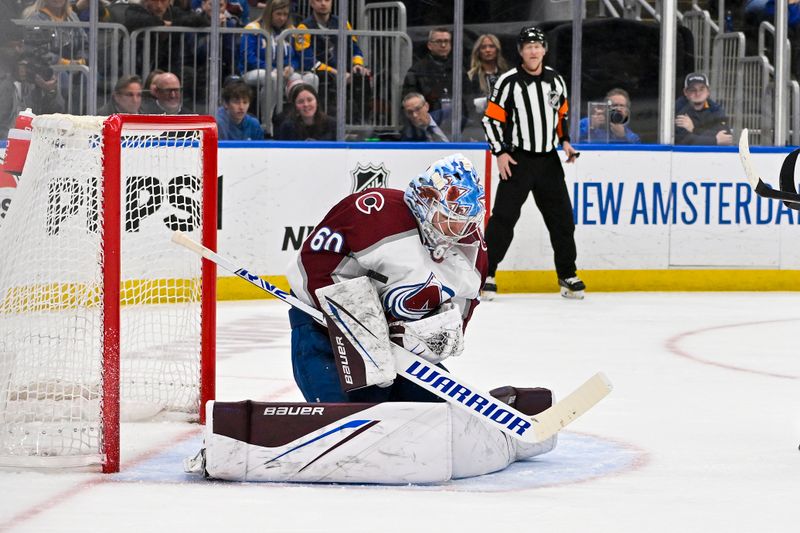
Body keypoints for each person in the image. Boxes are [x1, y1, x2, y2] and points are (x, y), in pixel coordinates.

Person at [285, 153, 487, 404]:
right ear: (426, 202)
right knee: (351, 413)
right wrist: (364, 328)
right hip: (323, 330)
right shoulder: (374, 211)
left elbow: (460, 314)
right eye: (449, 219)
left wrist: (432, 339)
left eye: (466, 222)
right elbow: (312, 263)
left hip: (402, 352)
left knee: (434, 412)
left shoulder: (471, 251)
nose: (459, 231)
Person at [481, 26, 584, 300]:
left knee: (562, 220)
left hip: (548, 160)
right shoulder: (508, 81)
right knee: (503, 219)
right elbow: (491, 119)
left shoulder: (556, 81)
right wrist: (500, 152)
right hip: (518, 159)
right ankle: (486, 274)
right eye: (528, 46)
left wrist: (565, 141)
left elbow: (560, 114)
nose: (533, 50)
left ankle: (567, 274)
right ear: (520, 51)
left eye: (537, 45)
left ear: (544, 49)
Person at [292, 0, 370, 120]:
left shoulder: (343, 23)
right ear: (311, 4)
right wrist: (336, 72)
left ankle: (362, 121)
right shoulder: (304, 27)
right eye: (318, 0)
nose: (323, 4)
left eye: (327, 0)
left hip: (344, 70)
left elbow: (354, 48)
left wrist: (357, 65)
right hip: (319, 70)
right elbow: (307, 60)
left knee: (362, 76)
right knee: (327, 77)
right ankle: (327, 120)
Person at [674, 73, 733, 146]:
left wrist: (694, 129)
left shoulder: (715, 109)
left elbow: (726, 137)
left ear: (708, 91)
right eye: (693, 90)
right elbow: (684, 141)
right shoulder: (679, 109)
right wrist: (715, 140)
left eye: (702, 89)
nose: (698, 93)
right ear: (686, 92)